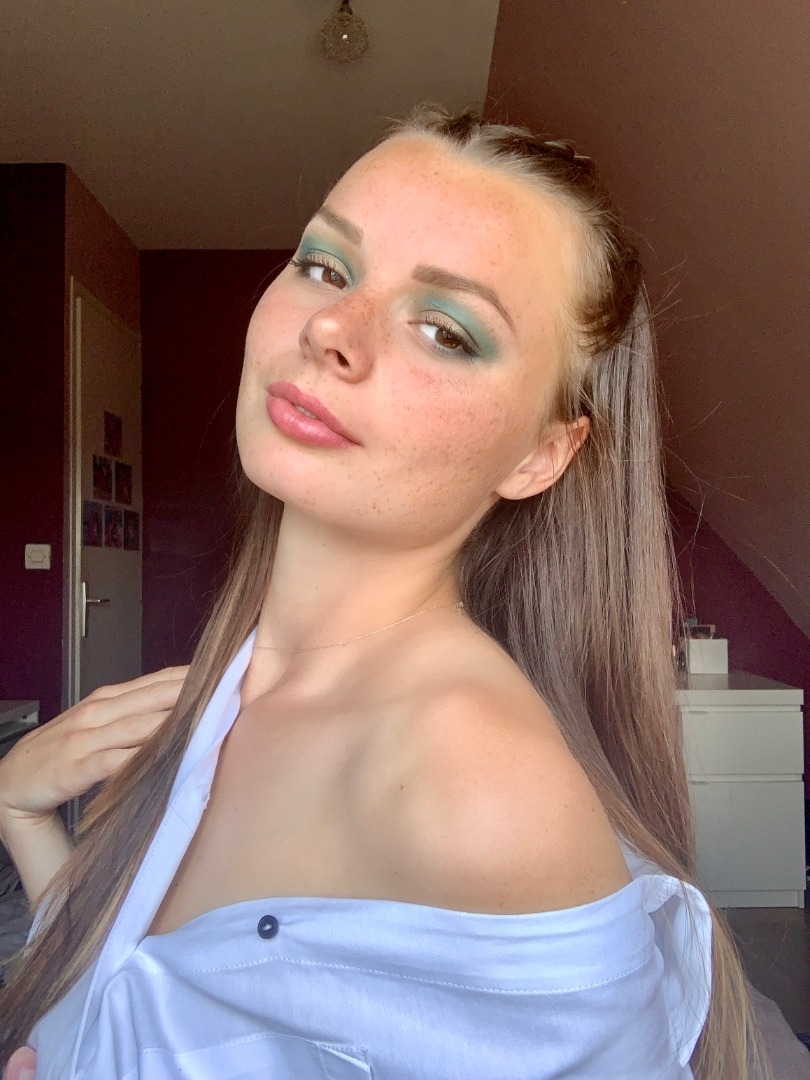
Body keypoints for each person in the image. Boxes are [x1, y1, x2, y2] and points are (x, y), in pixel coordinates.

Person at [0, 106, 770, 1080]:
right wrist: (23, 814)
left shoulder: (479, 785)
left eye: (445, 330)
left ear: (541, 452)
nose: (331, 328)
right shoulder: (227, 687)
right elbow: (136, 996)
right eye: (326, 267)